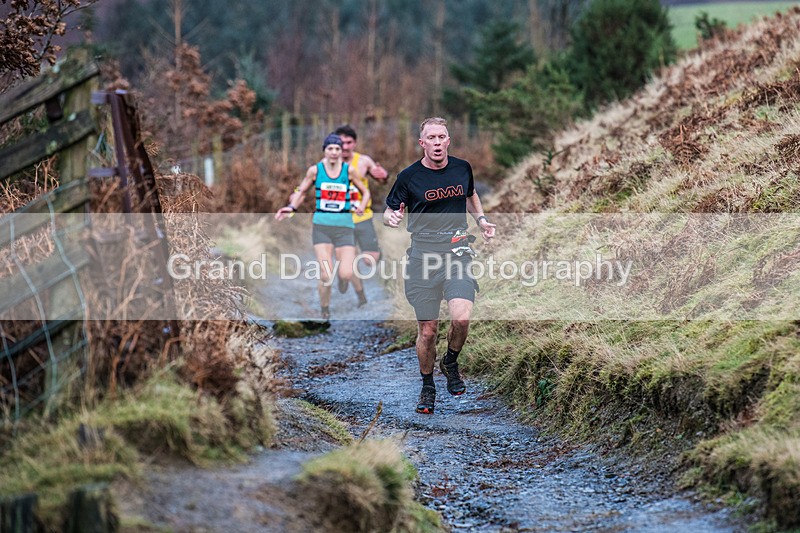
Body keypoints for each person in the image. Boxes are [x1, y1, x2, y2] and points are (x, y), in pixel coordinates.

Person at [384, 117, 496, 414]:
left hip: (457, 253)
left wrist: (481, 220)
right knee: (429, 331)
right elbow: (391, 209)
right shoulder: (409, 177)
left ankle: (450, 362)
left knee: (461, 319)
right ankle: (427, 386)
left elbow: (470, 194)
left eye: (441, 137)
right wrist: (391, 217)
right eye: (430, 138)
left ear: (448, 141)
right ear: (422, 143)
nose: (436, 142)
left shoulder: (462, 168)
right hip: (423, 258)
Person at [275, 133, 371, 320]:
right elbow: (301, 192)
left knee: (346, 272)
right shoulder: (315, 171)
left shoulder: (348, 170)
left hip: (344, 226)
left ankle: (357, 292)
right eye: (330, 149)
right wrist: (291, 207)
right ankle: (325, 311)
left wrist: (361, 206)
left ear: (341, 151)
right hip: (322, 227)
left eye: (337, 149)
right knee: (326, 274)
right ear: (325, 151)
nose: (334, 152)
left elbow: (365, 191)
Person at [334, 124, 388, 291]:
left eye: (349, 142)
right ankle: (343, 276)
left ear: (355, 143)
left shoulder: (363, 161)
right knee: (346, 260)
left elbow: (381, 178)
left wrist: (383, 176)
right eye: (342, 142)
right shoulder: (329, 163)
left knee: (369, 260)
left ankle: (377, 253)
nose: (345, 146)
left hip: (362, 217)